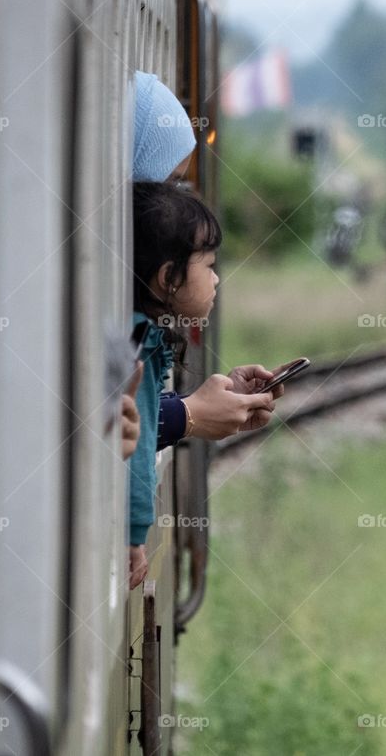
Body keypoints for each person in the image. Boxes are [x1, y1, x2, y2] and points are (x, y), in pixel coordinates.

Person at [127, 181, 282, 588]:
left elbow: (141, 420)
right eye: (209, 266)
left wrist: (195, 406)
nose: (216, 280)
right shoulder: (139, 342)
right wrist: (133, 534)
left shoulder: (139, 334)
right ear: (168, 278)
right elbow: (137, 450)